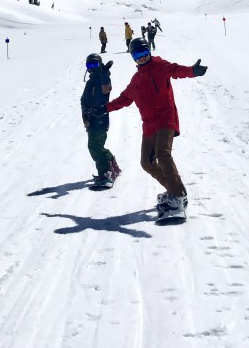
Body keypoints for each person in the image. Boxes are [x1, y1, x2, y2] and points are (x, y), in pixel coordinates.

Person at [106, 37, 207, 218]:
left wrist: (192, 71)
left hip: (166, 118)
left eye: (145, 53)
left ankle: (176, 197)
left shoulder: (160, 66)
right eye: (138, 54)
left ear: (149, 52)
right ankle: (175, 191)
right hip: (149, 124)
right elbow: (123, 99)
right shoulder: (136, 80)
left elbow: (176, 70)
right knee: (147, 163)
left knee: (163, 154)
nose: (142, 57)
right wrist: (103, 109)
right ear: (133, 57)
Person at [80, 53, 120, 187]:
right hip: (91, 120)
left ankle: (106, 174)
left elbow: (106, 89)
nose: (92, 68)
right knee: (96, 146)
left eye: (95, 64)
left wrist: (104, 74)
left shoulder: (102, 78)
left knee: (95, 147)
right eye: (89, 65)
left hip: (100, 119)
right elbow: (84, 101)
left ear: (100, 65)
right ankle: (111, 164)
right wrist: (85, 116)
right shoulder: (91, 81)